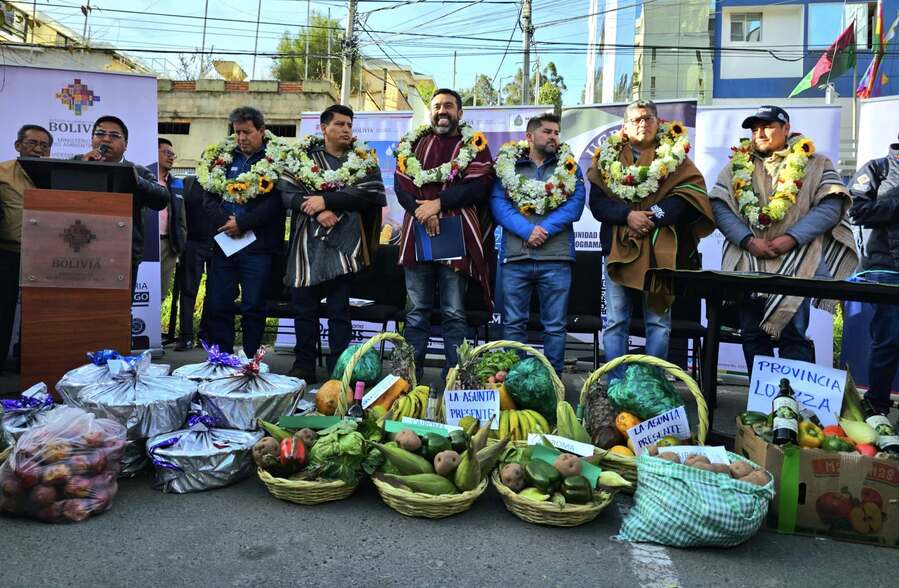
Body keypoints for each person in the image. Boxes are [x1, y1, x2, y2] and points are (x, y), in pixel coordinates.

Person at [710, 105, 858, 376]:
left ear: (786, 128)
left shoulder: (815, 162)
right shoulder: (735, 166)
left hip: (797, 262)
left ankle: (791, 399)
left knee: (794, 336)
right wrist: (748, 241)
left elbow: (832, 205)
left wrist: (791, 238)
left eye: (767, 127)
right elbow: (719, 206)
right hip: (748, 261)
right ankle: (763, 397)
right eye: (755, 129)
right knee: (752, 334)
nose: (760, 133)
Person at [588, 99, 714, 380]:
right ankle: (615, 384)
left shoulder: (675, 155)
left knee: (658, 321)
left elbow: (687, 196)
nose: (642, 123)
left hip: (661, 247)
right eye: (636, 119)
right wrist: (627, 216)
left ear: (658, 123)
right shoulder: (607, 156)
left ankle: (653, 384)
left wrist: (651, 217)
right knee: (616, 320)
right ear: (625, 126)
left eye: (648, 118)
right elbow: (597, 203)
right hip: (618, 247)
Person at [395, 89, 495, 379]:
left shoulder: (474, 144)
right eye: (437, 106)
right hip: (417, 235)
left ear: (459, 113)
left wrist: (439, 204)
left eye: (448, 106)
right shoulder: (413, 144)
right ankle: (408, 379)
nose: (442, 111)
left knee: (453, 312)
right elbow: (401, 186)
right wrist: (423, 212)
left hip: (457, 235)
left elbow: (479, 187)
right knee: (416, 312)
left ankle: (456, 380)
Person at [281, 104, 386, 380]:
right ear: (323, 128)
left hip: (343, 246)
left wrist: (325, 200)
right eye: (339, 124)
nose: (346, 130)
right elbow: (287, 193)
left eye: (349, 125)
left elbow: (369, 194)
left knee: (339, 311)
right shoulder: (303, 157)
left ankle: (339, 368)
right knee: (304, 309)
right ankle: (304, 365)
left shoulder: (362, 159)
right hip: (306, 248)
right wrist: (317, 211)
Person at [490, 113, 585, 373]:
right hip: (516, 258)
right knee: (513, 324)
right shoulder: (508, 165)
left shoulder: (569, 166)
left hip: (556, 259)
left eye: (556, 132)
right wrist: (527, 231)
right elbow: (498, 204)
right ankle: (514, 382)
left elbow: (575, 204)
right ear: (530, 136)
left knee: (555, 326)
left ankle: (553, 382)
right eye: (547, 132)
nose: (554, 136)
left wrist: (544, 230)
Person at [201, 106, 286, 356]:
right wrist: (227, 222)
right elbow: (208, 197)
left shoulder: (276, 158)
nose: (241, 138)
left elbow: (276, 203)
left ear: (261, 131)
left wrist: (243, 223)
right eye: (237, 132)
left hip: (258, 246)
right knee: (219, 302)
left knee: (253, 306)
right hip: (225, 243)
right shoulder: (222, 157)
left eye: (247, 132)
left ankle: (250, 359)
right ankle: (223, 358)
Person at [76, 115, 170, 292]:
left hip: (123, 256)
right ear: (92, 140)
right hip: (78, 252)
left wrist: (137, 181)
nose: (106, 139)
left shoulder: (138, 171)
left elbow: (162, 199)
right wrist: (81, 166)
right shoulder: (77, 162)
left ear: (125, 145)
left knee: (117, 308)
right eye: (100, 134)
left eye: (114, 136)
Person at [848, 132, 899, 414]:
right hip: (886, 268)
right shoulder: (878, 168)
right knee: (889, 338)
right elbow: (856, 211)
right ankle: (876, 406)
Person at [0, 125, 53, 370]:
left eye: (44, 145)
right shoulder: (2, 173)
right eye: (32, 143)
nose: (38, 149)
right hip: (8, 253)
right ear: (18, 145)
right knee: (3, 308)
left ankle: (31, 362)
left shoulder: (55, 174)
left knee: (39, 313)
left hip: (45, 255)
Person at [174, 174, 214, 351]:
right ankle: (185, 337)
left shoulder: (225, 182)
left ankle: (206, 336)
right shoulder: (189, 182)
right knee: (188, 291)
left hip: (219, 243)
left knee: (214, 293)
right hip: (192, 243)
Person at [157, 138, 187, 310]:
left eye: (173, 155)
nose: (171, 157)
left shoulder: (176, 183)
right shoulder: (143, 178)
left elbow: (182, 216)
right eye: (166, 153)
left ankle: (153, 324)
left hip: (170, 244)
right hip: (148, 244)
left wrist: (181, 240)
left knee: (161, 292)